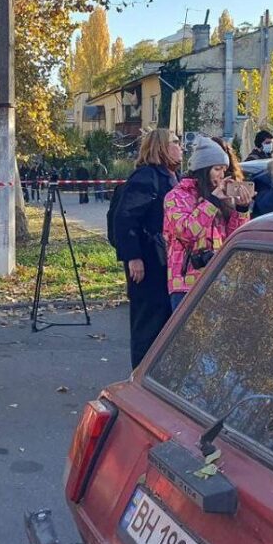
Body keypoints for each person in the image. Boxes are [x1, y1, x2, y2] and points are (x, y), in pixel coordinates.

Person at [112, 129, 182, 369]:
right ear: (161, 148)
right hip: (149, 262)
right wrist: (133, 257)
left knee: (164, 322)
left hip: (167, 263)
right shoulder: (145, 177)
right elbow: (125, 218)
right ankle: (141, 377)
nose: (180, 146)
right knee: (148, 325)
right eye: (174, 142)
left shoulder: (173, 176)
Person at [164, 137, 253, 310]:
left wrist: (241, 210)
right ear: (203, 170)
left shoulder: (218, 197)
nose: (221, 175)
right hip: (185, 283)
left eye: (224, 170)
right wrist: (212, 201)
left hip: (217, 279)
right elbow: (187, 232)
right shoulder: (176, 196)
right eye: (217, 169)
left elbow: (233, 237)